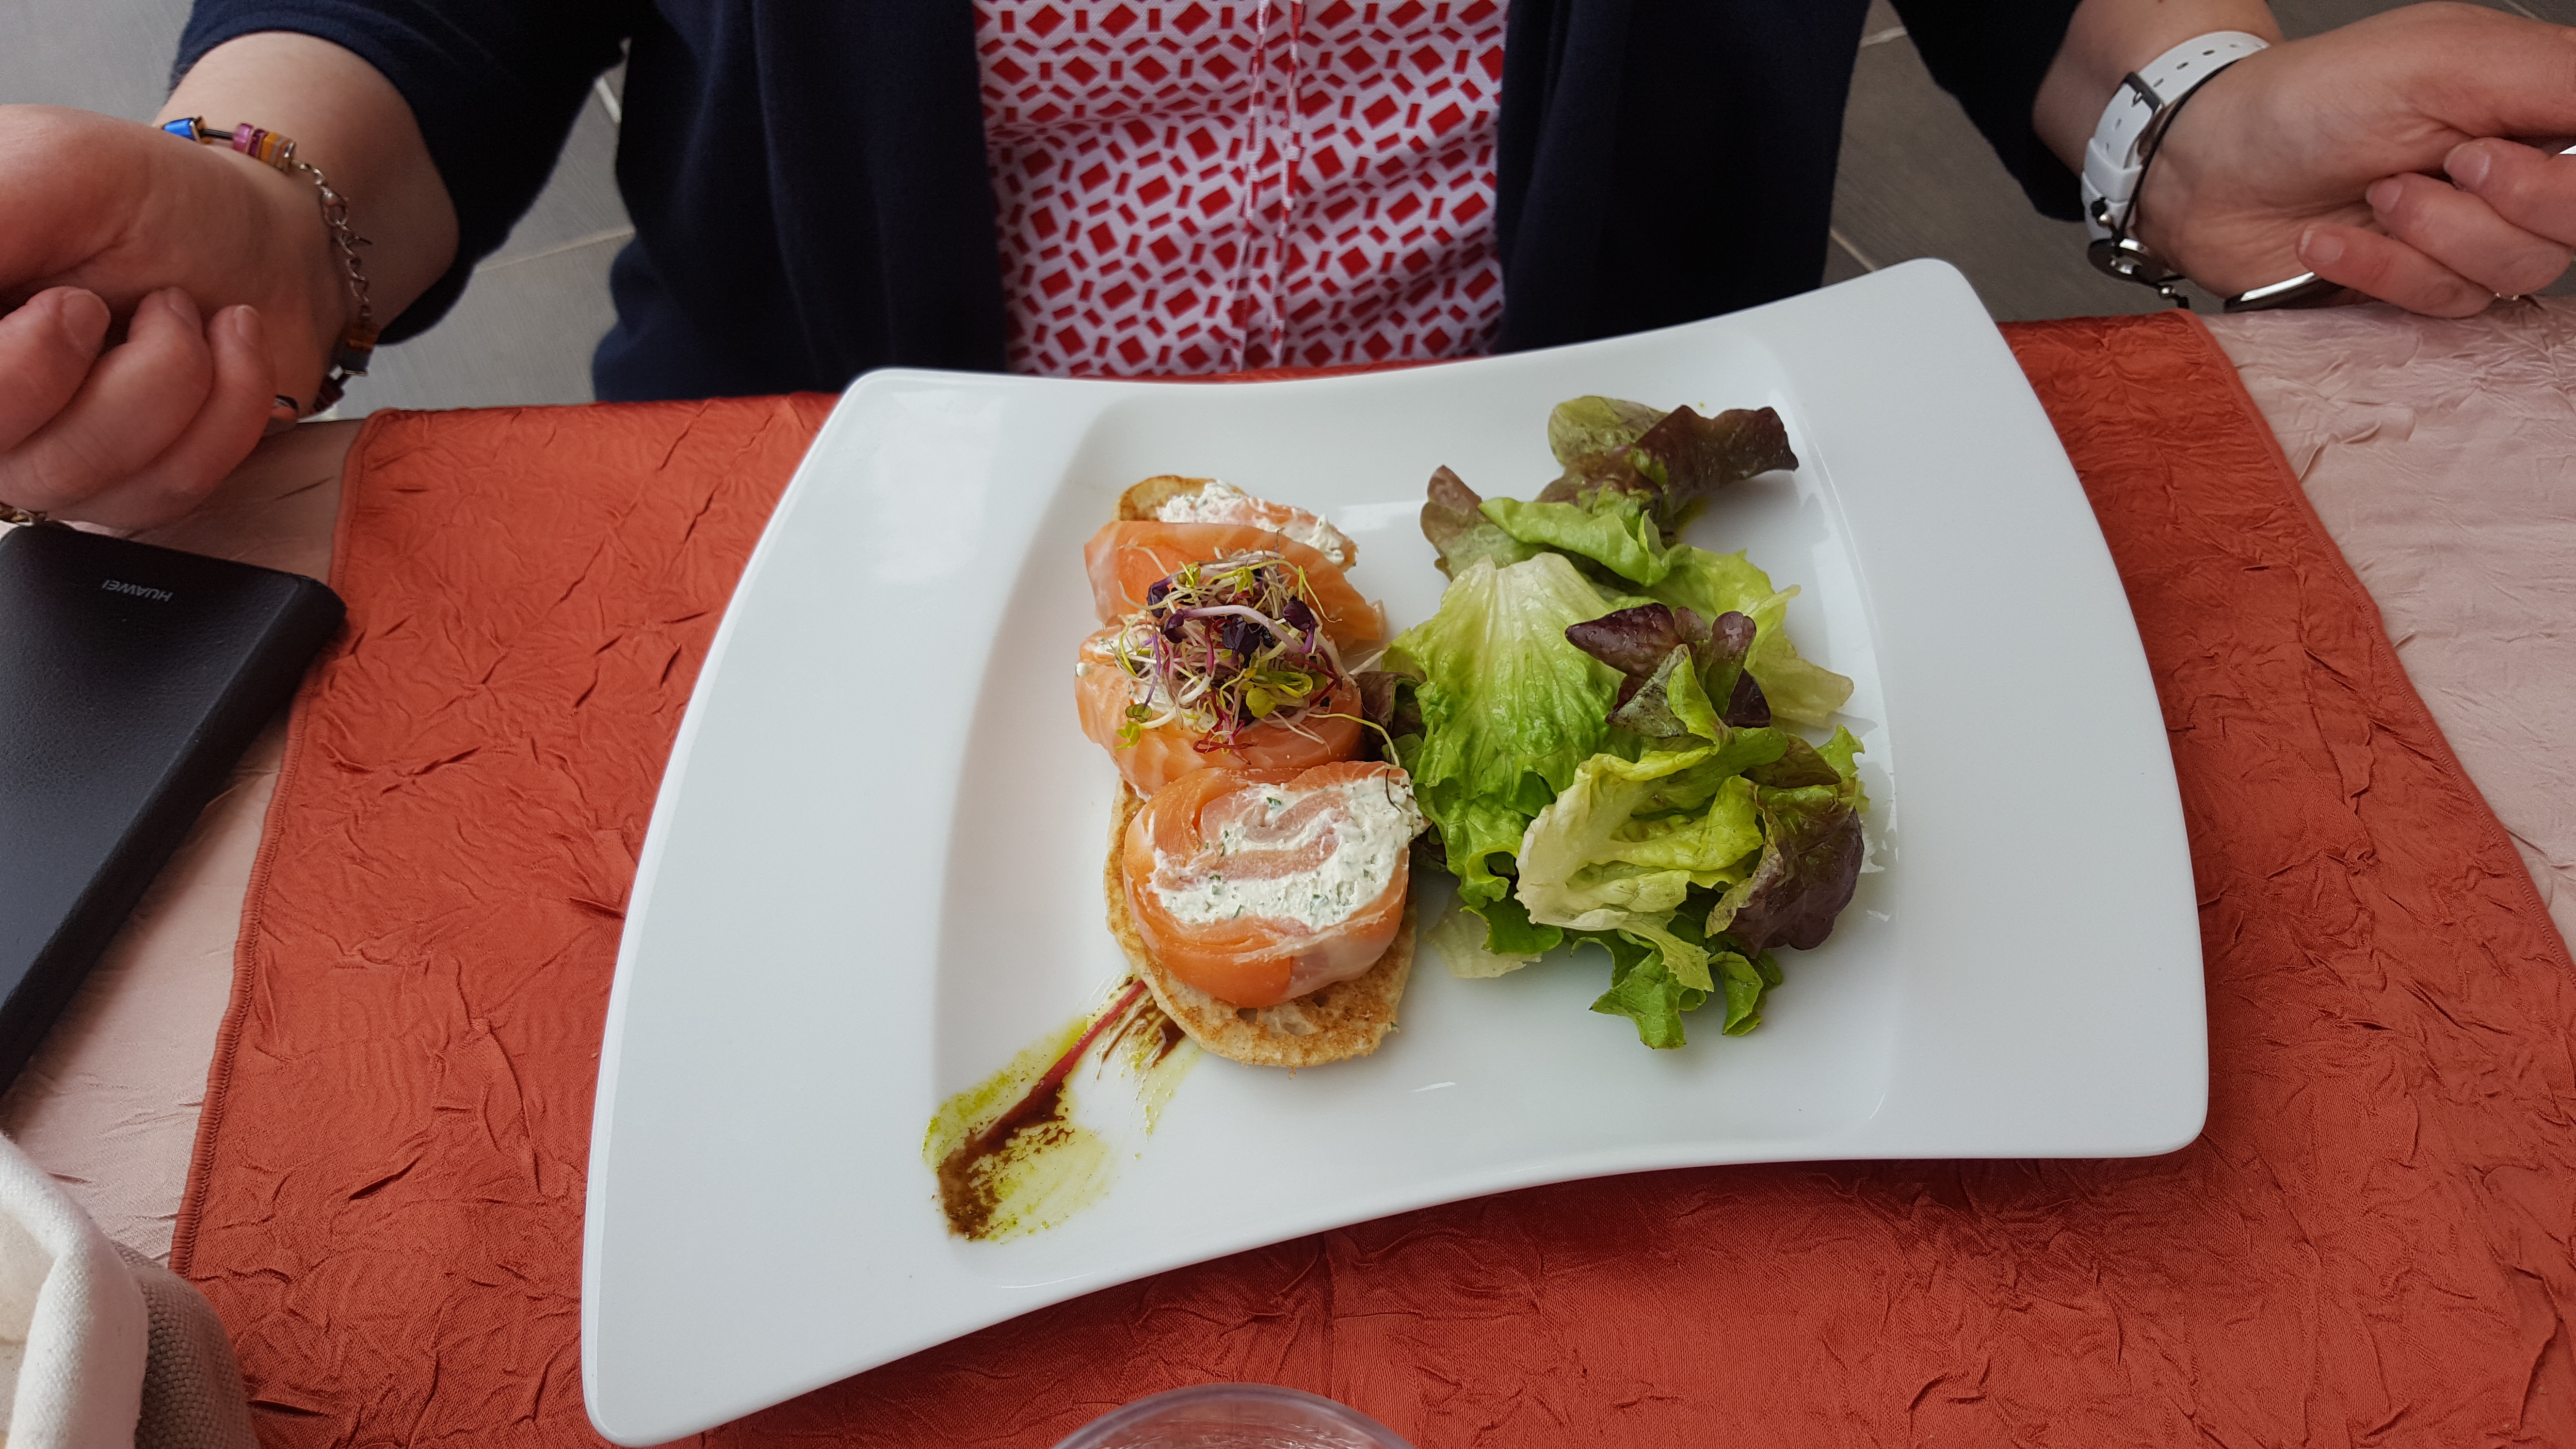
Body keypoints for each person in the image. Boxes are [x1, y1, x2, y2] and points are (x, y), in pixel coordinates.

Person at [3, 0, 2574, 531]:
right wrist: (260, 211)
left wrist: (2186, 111)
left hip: (1607, 523)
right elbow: (423, 30)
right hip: (873, 531)